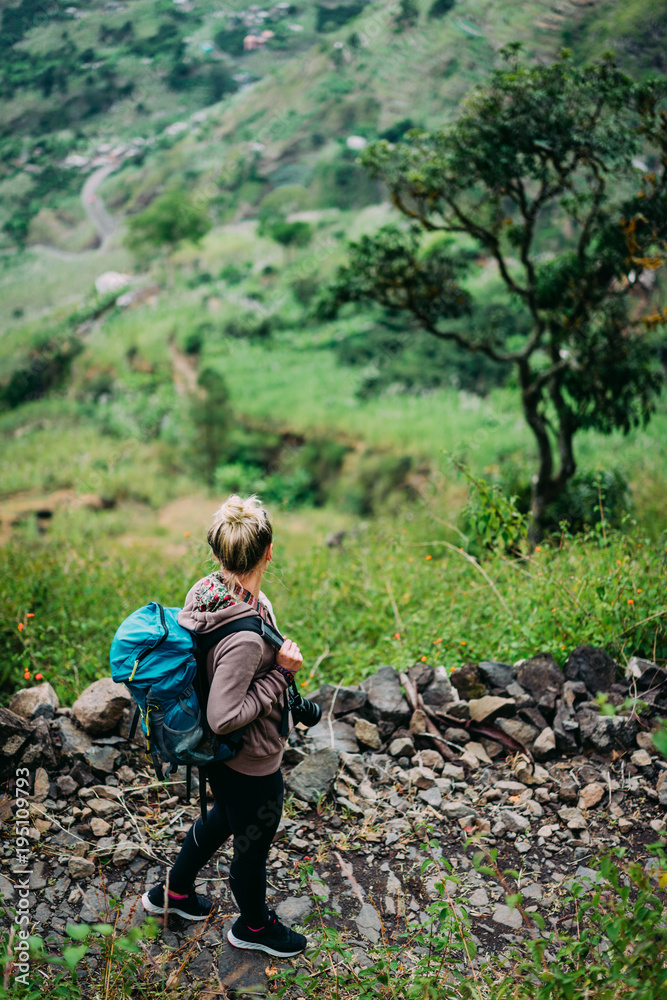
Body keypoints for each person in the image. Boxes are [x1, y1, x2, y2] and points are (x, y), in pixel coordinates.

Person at [141, 494, 307, 958]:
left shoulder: (206, 591)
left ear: (219, 555)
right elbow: (224, 714)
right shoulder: (246, 637)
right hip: (247, 754)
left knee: (224, 820)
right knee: (252, 843)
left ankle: (172, 896)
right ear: (269, 551)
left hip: (220, 753)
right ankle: (253, 927)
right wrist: (282, 674)